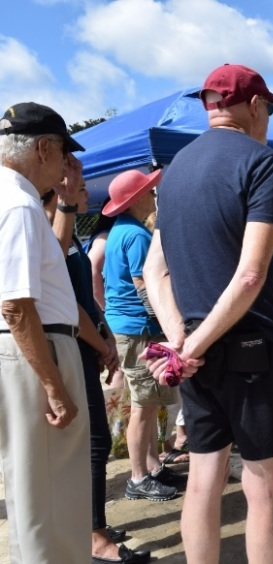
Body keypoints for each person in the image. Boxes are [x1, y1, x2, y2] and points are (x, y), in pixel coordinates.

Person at [143, 63, 273, 563]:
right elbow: (251, 275)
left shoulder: (174, 171)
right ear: (254, 105)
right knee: (264, 484)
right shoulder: (262, 162)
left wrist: (181, 343)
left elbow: (154, 268)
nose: (269, 118)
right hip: (250, 343)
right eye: (268, 108)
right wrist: (197, 345)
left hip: (192, 348)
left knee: (204, 476)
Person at [0, 101, 92, 563]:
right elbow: (16, 306)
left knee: (35, 487)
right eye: (61, 154)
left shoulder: (13, 199)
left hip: (28, 345)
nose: (64, 165)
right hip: (39, 345)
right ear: (41, 149)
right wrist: (54, 386)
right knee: (51, 492)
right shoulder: (17, 203)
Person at [46, 173, 151, 563]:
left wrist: (103, 336)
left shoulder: (69, 233)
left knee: (91, 444)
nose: (90, 192)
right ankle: (95, 540)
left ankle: (91, 525)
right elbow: (65, 301)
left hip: (87, 341)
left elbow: (87, 300)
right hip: (72, 345)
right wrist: (101, 342)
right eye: (82, 187)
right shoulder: (48, 229)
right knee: (94, 446)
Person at [102, 169, 183, 503]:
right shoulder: (136, 236)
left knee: (148, 405)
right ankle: (138, 478)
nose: (153, 197)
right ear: (136, 200)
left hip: (129, 328)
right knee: (143, 406)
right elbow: (144, 285)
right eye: (149, 192)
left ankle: (151, 467)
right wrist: (168, 322)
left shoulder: (121, 231)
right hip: (137, 330)